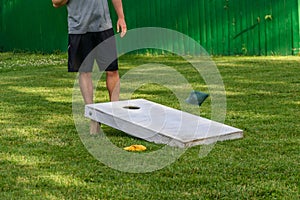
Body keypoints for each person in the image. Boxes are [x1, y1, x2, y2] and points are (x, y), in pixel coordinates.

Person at [52, 0, 127, 134]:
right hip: (79, 28)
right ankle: (93, 118)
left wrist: (121, 17)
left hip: (103, 26)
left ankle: (116, 115)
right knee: (84, 72)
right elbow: (56, 3)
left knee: (112, 70)